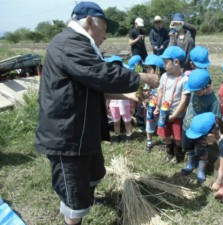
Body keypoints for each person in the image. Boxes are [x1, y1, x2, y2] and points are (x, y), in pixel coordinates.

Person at [34, 2, 159, 225]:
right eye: (105, 26)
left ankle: (86, 200)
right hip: (67, 137)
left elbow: (92, 85)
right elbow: (101, 74)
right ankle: (76, 215)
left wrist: (129, 96)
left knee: (93, 174)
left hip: (82, 130)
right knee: (73, 192)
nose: (106, 34)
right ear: (90, 21)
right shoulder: (69, 44)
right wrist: (140, 79)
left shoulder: (79, 44)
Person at [186, 112, 223, 201]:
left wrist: (217, 182)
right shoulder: (220, 127)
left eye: (203, 141)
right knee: (216, 165)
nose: (204, 143)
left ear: (210, 135)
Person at [181, 69, 221, 182]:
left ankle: (201, 168)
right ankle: (191, 163)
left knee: (201, 150)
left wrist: (211, 133)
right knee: (188, 147)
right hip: (187, 126)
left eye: (196, 91)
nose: (194, 92)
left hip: (200, 132)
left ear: (207, 87)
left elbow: (216, 118)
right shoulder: (195, 91)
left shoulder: (213, 102)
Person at [155, 46, 189, 163]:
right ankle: (169, 153)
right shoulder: (164, 76)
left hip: (177, 115)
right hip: (164, 113)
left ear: (176, 62)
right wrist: (157, 106)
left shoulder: (184, 80)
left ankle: (177, 154)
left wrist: (174, 115)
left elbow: (184, 99)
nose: (163, 65)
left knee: (178, 137)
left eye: (165, 62)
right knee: (165, 135)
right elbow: (160, 91)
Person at [105, 56, 133, 144]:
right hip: (113, 105)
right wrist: (106, 106)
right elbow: (108, 95)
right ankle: (117, 136)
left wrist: (132, 106)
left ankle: (129, 135)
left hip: (125, 104)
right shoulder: (109, 81)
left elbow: (130, 95)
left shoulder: (125, 80)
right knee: (116, 121)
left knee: (127, 121)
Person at [143, 54, 165, 152]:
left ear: (157, 69)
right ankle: (149, 141)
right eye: (146, 68)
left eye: (148, 68)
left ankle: (164, 142)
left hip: (161, 109)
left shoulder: (163, 82)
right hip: (150, 108)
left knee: (162, 125)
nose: (146, 71)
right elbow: (145, 93)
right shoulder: (148, 82)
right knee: (149, 124)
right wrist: (144, 99)